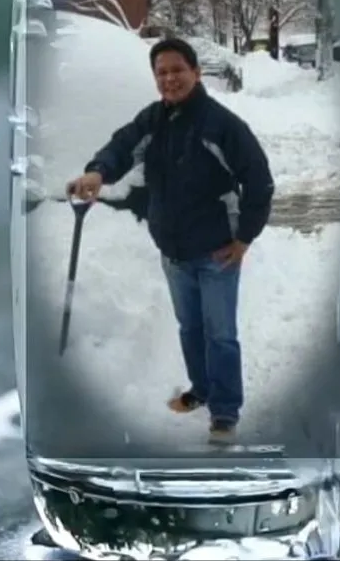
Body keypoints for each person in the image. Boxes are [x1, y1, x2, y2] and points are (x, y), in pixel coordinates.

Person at [66, 37, 274, 445]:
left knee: (220, 335)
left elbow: (259, 181)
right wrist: (97, 173)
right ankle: (202, 389)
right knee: (189, 328)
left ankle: (225, 413)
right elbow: (123, 146)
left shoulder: (222, 126)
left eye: (177, 70)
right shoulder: (154, 120)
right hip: (174, 252)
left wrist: (245, 238)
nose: (169, 79)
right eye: (161, 72)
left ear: (196, 72)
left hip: (216, 252)